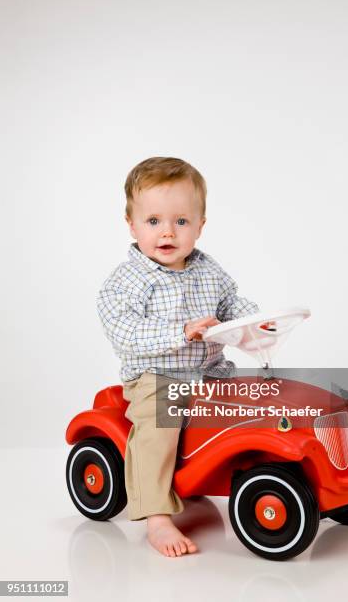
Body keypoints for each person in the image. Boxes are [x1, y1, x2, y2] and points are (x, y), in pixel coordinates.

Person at [97, 156, 259, 557]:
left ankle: (265, 477)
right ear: (131, 224)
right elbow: (126, 333)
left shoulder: (210, 271)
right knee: (159, 424)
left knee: (259, 403)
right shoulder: (127, 282)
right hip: (158, 377)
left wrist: (253, 322)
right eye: (153, 221)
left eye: (181, 222)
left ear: (200, 225)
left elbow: (231, 303)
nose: (167, 232)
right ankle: (155, 516)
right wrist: (180, 332)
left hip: (211, 373)